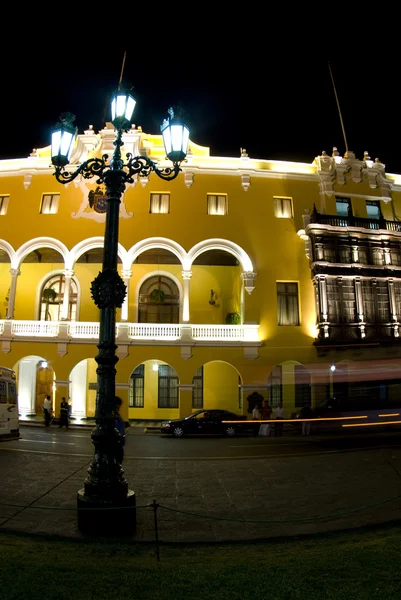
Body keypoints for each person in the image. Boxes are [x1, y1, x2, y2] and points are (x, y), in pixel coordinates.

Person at [114, 396, 126, 463]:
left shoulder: (118, 417)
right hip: (114, 446)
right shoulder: (112, 418)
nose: (118, 409)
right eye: (116, 407)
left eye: (118, 407)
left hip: (119, 446)